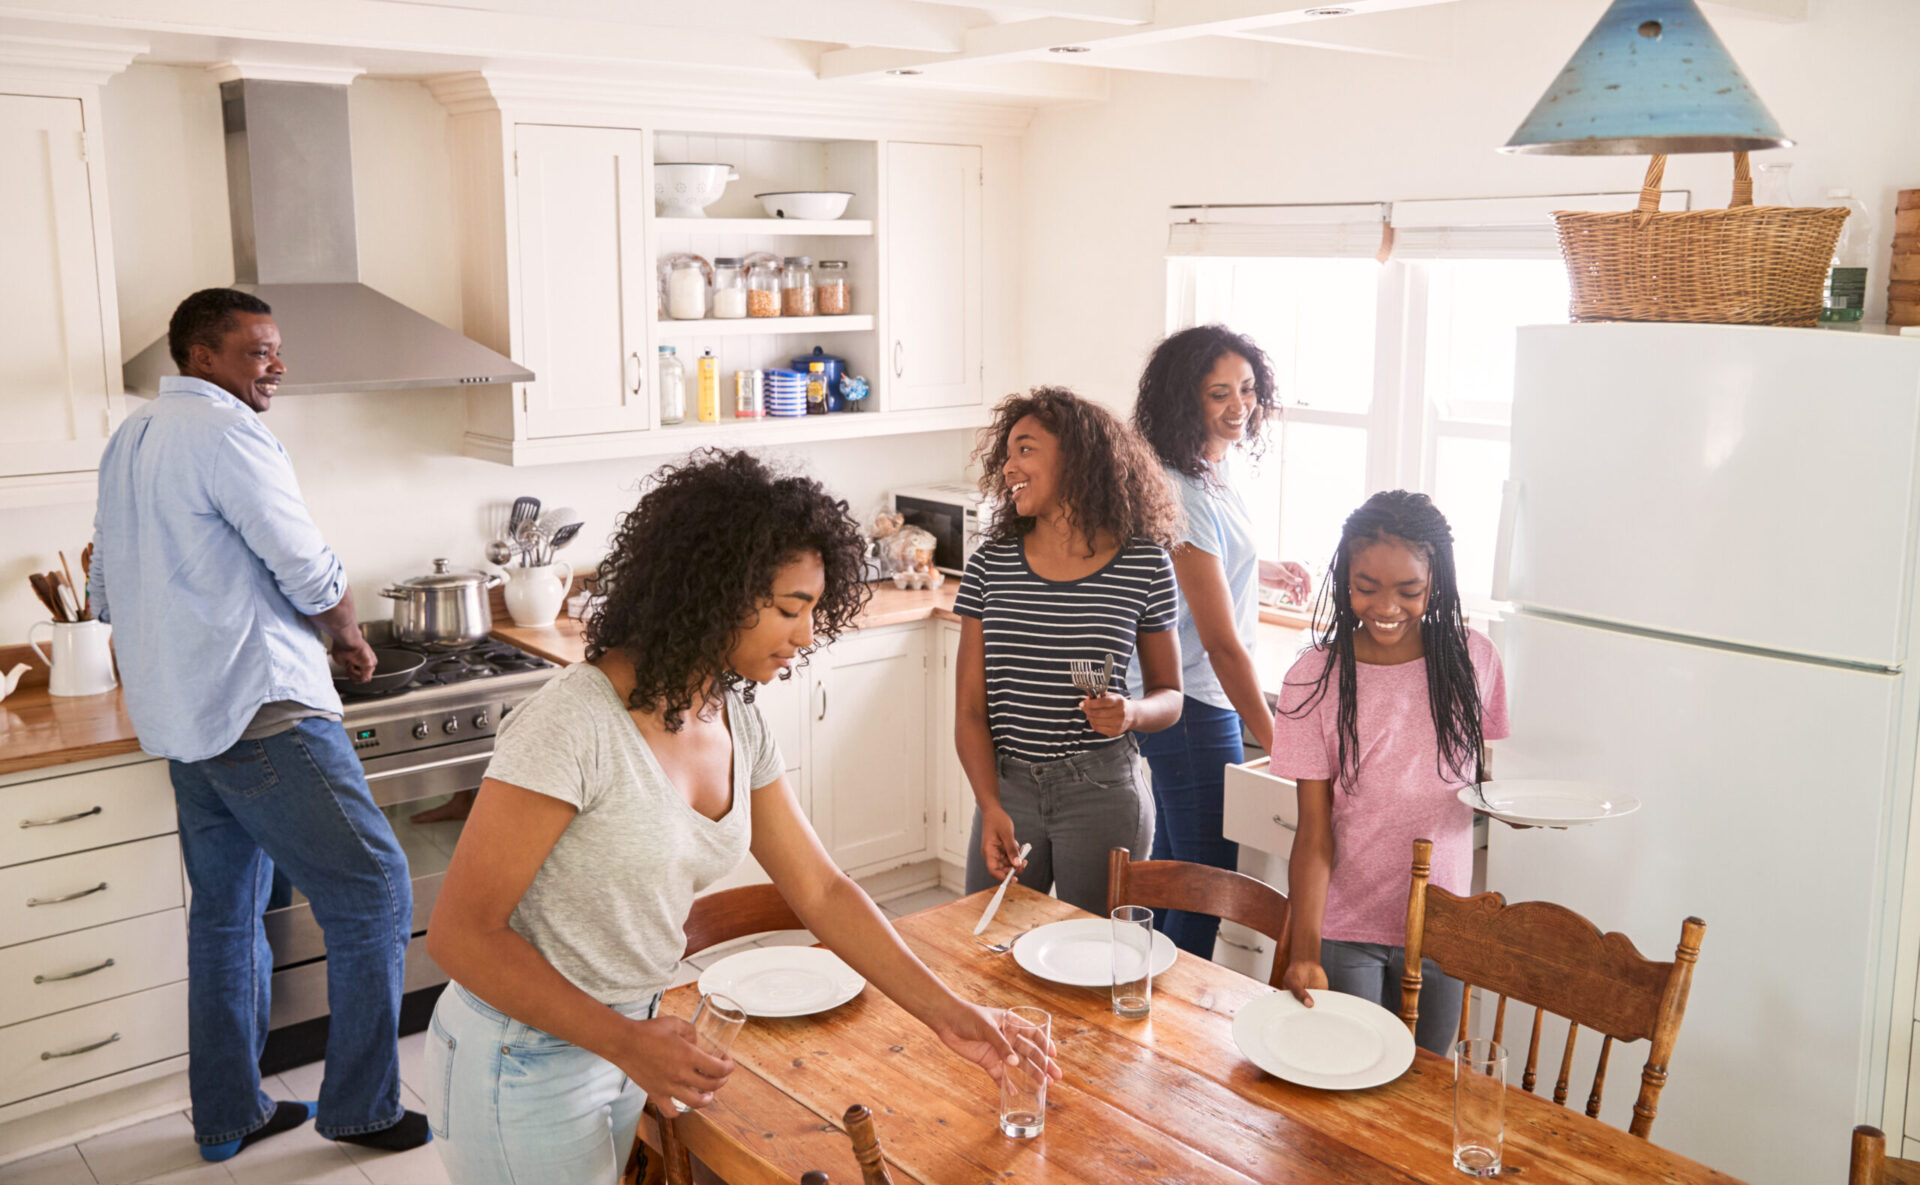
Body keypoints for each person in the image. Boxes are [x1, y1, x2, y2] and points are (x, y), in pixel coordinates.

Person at [424, 450, 1058, 1185]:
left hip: (627, 1035)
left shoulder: (736, 716)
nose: (807, 635)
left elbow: (821, 890)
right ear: (713, 592)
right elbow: (461, 935)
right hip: (520, 1057)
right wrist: (624, 1040)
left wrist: (951, 1013)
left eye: (815, 609)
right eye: (790, 608)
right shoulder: (574, 722)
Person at [87, 288, 426, 1161]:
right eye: (256, 351)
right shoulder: (229, 435)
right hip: (261, 712)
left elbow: (104, 590)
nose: (274, 364)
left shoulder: (130, 440)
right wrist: (349, 640)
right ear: (201, 356)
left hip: (184, 722)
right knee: (375, 889)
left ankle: (229, 1112)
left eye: (277, 350)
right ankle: (360, 1106)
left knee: (226, 917)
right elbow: (308, 567)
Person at [1269, 490, 1509, 1055]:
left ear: (1438, 584)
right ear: (1344, 577)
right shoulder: (1314, 678)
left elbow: (1481, 783)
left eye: (1409, 591)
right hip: (1346, 927)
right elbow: (1313, 832)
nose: (1386, 607)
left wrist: (1510, 811)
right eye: (1366, 587)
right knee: (1346, 1082)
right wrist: (1304, 950)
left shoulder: (1476, 661)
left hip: (1444, 925)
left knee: (1423, 1090)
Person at [956, 387, 1185, 915]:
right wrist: (989, 805)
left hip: (1102, 791)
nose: (1009, 466)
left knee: (1097, 962)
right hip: (1007, 788)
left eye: (1026, 449)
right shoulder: (991, 564)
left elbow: (1170, 695)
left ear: (1077, 459)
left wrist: (1131, 714)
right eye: (1008, 453)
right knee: (984, 950)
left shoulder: (1144, 564)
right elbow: (969, 711)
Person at [1130, 325, 1314, 958]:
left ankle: (1138, 1007)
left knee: (1175, 873)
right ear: (1187, 400)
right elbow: (1221, 642)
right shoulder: (1183, 489)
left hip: (1184, 696)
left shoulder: (1209, 470)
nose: (1240, 405)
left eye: (1247, 389)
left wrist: (1261, 568)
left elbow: (1198, 567)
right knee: (1208, 884)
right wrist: (1277, 739)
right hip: (1193, 703)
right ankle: (1167, 1022)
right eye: (1219, 393)